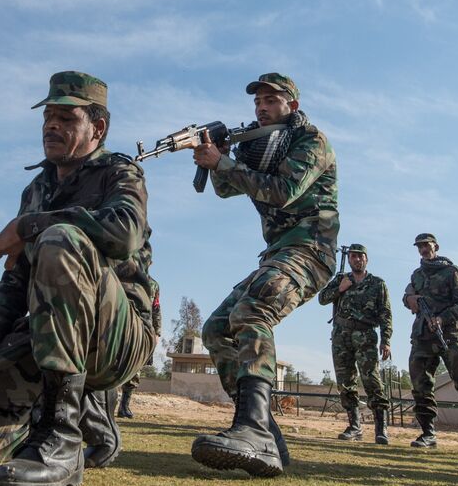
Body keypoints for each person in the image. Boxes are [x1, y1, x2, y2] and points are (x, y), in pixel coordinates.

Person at [0, 71, 155, 486]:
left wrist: (29, 225)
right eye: (47, 118)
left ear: (98, 128)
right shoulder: (36, 189)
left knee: (60, 240)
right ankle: (48, 427)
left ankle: (63, 440)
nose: (52, 126)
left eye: (67, 119)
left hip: (115, 340)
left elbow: (125, 234)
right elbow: (15, 283)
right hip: (44, 334)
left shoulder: (119, 172)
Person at [190, 72, 339, 477]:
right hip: (277, 254)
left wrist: (224, 161)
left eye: (271, 100)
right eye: (257, 101)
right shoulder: (260, 143)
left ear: (291, 104)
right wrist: (217, 159)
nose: (261, 106)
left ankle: (252, 431)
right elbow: (226, 189)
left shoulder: (312, 141)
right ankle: (265, 436)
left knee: (253, 310)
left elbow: (282, 191)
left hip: (310, 250)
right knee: (217, 329)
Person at [403, 233, 458, 454]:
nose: (424, 249)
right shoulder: (417, 275)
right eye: (420, 246)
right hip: (422, 337)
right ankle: (428, 433)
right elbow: (408, 297)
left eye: (427, 245)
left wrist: (442, 318)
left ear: (436, 247)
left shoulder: (452, 272)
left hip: (449, 336)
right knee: (421, 387)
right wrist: (409, 300)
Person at [318, 243, 392, 444]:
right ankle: (354, 426)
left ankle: (381, 429)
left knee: (372, 381)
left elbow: (386, 315)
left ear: (366, 259)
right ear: (349, 259)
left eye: (360, 256)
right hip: (341, 335)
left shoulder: (377, 284)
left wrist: (386, 341)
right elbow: (322, 298)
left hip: (366, 335)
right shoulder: (341, 279)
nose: (356, 259)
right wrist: (340, 289)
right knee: (345, 382)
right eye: (353, 256)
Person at [117, 276, 161, 418]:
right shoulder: (122, 276)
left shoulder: (153, 284)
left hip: (143, 329)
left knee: (135, 369)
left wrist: (157, 332)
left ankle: (124, 406)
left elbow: (156, 308)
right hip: (120, 326)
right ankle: (105, 405)